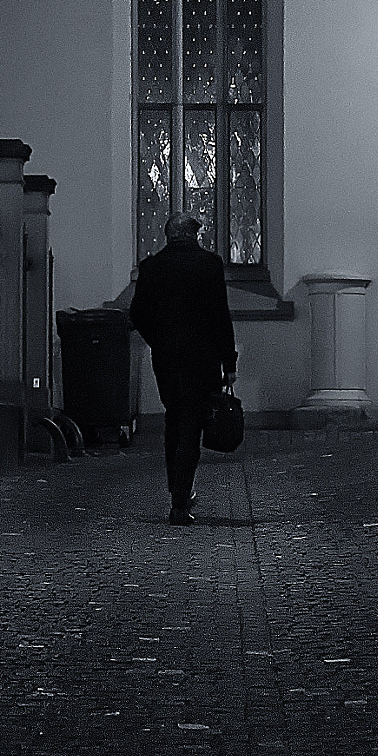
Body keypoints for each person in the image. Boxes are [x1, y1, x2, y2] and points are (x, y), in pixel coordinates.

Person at [127, 212, 238, 525]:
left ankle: (176, 491)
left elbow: (138, 314)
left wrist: (158, 341)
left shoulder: (152, 267)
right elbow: (220, 316)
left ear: (168, 235)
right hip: (201, 359)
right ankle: (180, 498)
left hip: (166, 358)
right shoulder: (209, 265)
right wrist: (228, 361)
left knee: (173, 421)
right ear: (193, 235)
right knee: (192, 425)